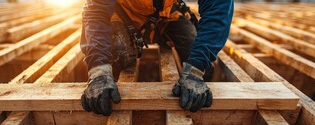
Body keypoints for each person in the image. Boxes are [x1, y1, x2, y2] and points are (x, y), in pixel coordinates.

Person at [80, 0, 234, 116]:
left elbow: (218, 8)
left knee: (201, 63)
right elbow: (96, 11)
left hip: (167, 15)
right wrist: (99, 71)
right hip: (123, 13)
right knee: (116, 53)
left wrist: (196, 70)